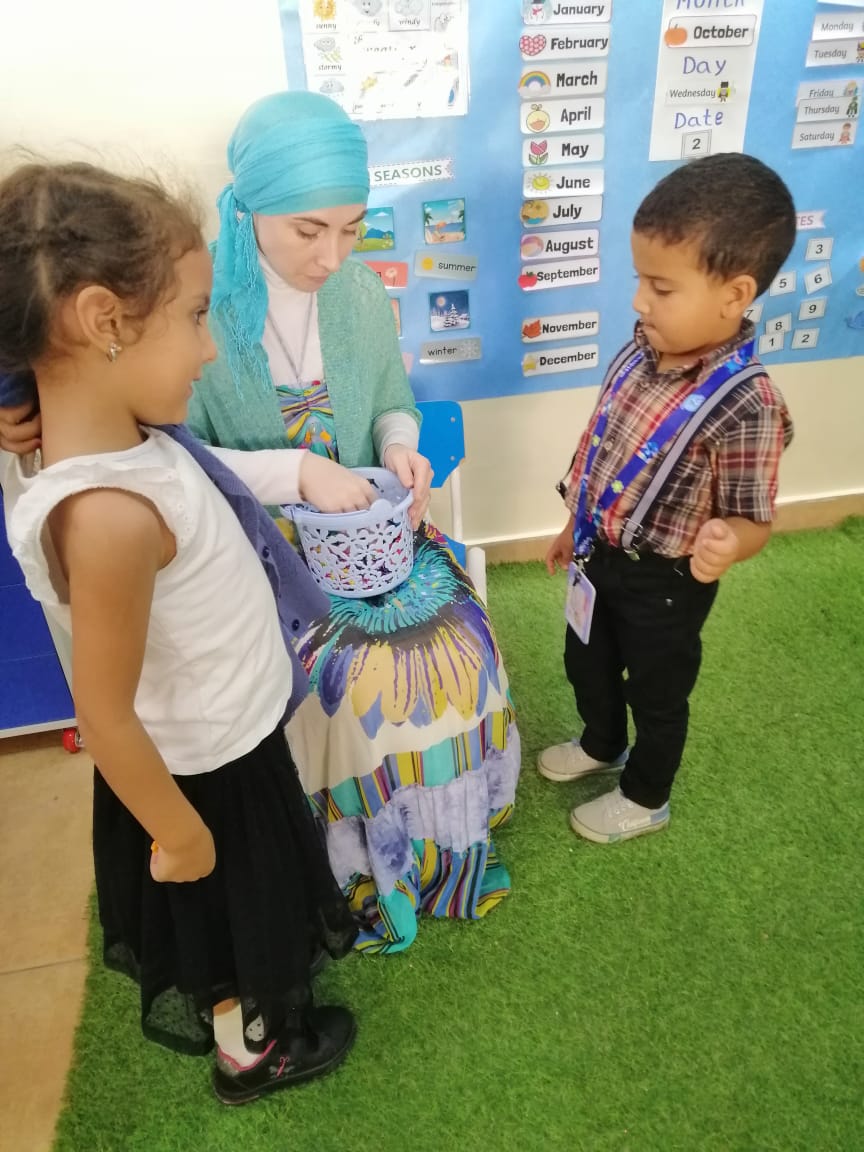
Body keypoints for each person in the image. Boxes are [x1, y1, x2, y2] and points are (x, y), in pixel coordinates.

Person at [1, 91, 521, 954]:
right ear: (247, 210)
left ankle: (439, 842)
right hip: (254, 549)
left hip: (365, 530)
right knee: (350, 671)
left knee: (458, 634)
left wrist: (398, 449)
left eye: (351, 229)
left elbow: (391, 401)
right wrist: (298, 473)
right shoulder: (186, 303)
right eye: (308, 229)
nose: (332, 255)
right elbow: (174, 459)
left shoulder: (359, 295)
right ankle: (345, 861)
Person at [0, 161, 359, 1105]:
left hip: (223, 740)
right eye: (196, 317)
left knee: (241, 915)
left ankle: (254, 1025)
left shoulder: (124, 445)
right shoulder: (110, 516)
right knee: (231, 930)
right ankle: (253, 1055)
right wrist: (180, 833)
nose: (207, 350)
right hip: (201, 776)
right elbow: (103, 712)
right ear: (103, 321)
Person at [540, 152, 795, 844]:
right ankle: (601, 743)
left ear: (734, 295)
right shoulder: (637, 350)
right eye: (639, 281)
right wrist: (573, 523)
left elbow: (753, 518)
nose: (638, 302)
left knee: (656, 690)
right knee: (585, 659)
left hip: (667, 584)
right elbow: (599, 448)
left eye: (661, 287)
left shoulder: (749, 405)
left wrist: (730, 542)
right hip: (597, 553)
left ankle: (645, 795)